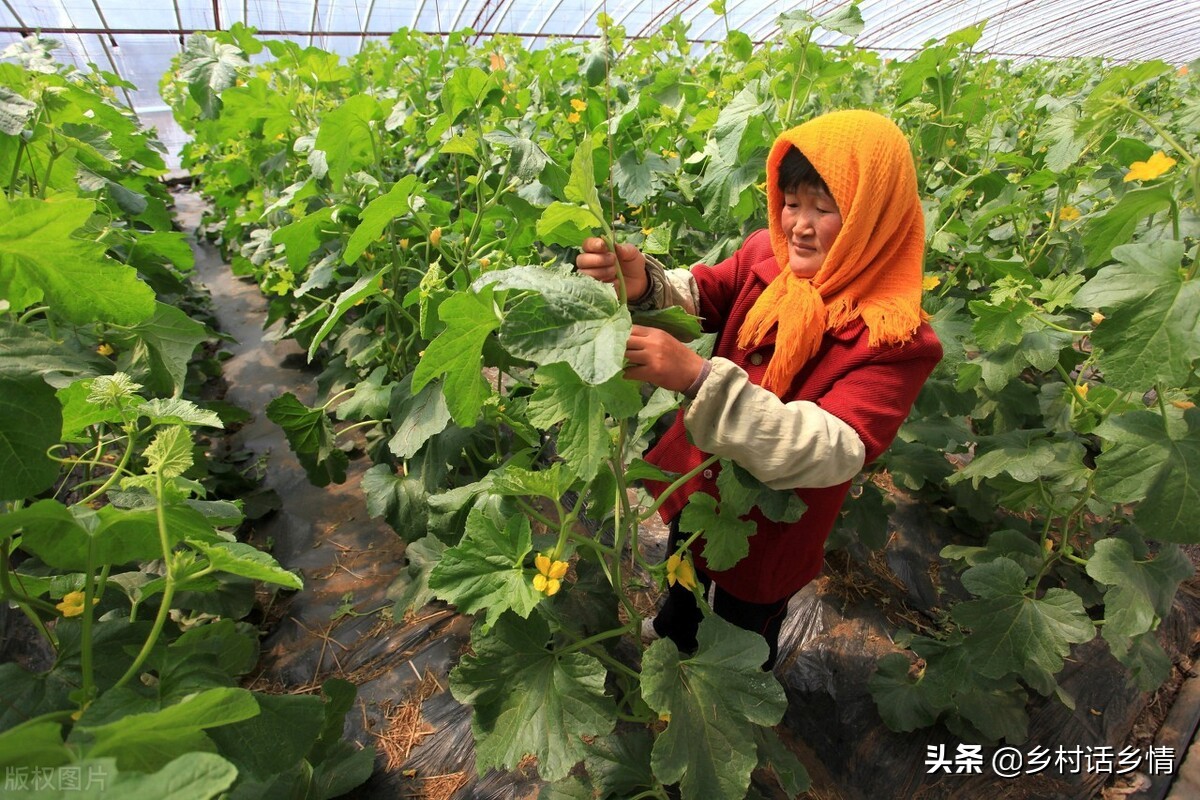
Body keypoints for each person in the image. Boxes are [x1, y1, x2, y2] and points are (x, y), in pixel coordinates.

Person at [575, 109, 943, 669]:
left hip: (780, 520)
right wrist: (648, 283)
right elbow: (705, 294)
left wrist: (701, 379)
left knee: (749, 620)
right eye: (792, 203)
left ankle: (733, 684)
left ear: (873, 215)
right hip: (704, 483)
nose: (799, 223)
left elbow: (833, 447)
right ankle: (673, 634)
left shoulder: (896, 335)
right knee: (684, 564)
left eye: (824, 208)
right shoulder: (765, 253)